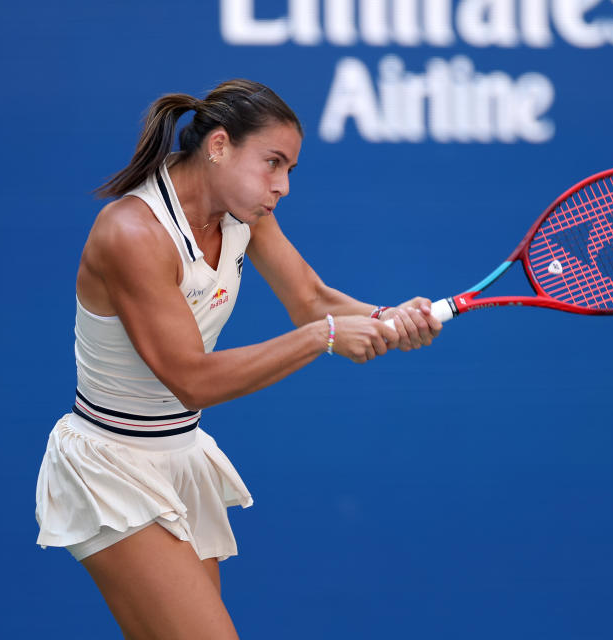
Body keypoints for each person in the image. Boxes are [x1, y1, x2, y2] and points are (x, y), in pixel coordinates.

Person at [34, 79, 441, 639]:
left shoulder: (242, 213)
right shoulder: (133, 232)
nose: (284, 186)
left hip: (179, 457)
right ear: (219, 146)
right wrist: (323, 337)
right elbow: (192, 380)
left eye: (291, 170)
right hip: (111, 467)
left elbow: (311, 299)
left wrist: (389, 317)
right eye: (273, 163)